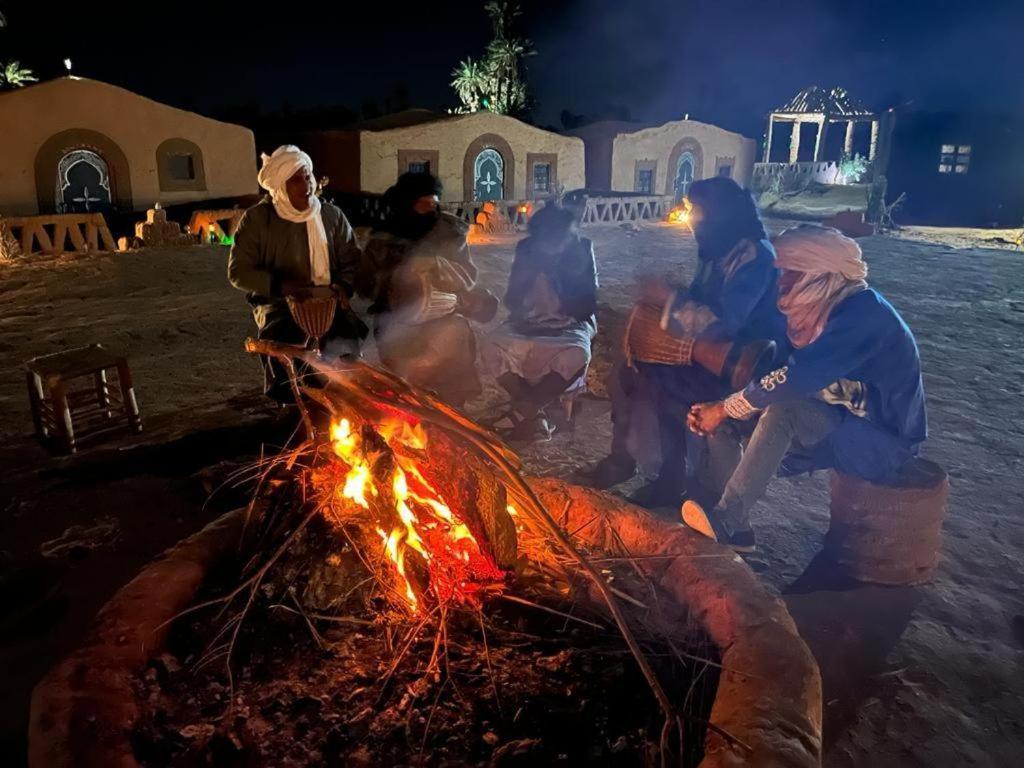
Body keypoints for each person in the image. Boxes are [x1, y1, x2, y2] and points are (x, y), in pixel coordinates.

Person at [682, 225, 927, 552]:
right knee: (733, 416)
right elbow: (776, 371)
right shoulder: (812, 310)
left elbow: (796, 378)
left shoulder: (865, 316)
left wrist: (726, 406)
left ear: (820, 274)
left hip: (881, 439)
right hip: (835, 421)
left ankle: (726, 519)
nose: (781, 282)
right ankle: (738, 531)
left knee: (779, 409)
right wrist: (723, 410)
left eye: (792, 274)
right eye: (782, 272)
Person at [590, 177, 788, 508]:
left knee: (657, 385)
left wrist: (668, 297)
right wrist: (671, 297)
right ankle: (643, 468)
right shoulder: (719, 250)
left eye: (697, 210)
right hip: (706, 354)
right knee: (629, 374)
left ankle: (685, 484)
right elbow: (698, 301)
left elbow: (725, 325)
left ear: (719, 213)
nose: (692, 218)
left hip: (746, 364)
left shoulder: (754, 256)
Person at [228, 145, 367, 401]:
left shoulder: (331, 216)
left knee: (346, 345)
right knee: (288, 347)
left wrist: (343, 286)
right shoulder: (258, 220)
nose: (307, 185)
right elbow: (239, 272)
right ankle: (294, 407)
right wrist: (282, 287)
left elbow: (353, 260)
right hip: (278, 304)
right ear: (280, 186)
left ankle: (343, 409)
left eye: (307, 176)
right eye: (295, 179)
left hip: (331, 302)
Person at [360, 172, 497, 407]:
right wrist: (396, 280)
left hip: (442, 317)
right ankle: (412, 413)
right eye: (423, 205)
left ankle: (454, 413)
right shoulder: (383, 238)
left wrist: (436, 266)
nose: (431, 210)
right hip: (396, 317)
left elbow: (467, 278)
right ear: (407, 205)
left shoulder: (450, 233)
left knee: (455, 339)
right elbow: (365, 286)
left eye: (434, 204)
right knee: (406, 369)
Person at [481, 203, 598, 441]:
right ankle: (533, 413)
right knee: (490, 346)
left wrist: (564, 312)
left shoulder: (582, 248)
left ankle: (522, 413)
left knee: (576, 354)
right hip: (529, 321)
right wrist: (527, 307)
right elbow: (512, 296)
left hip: (571, 321)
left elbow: (589, 300)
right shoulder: (527, 249)